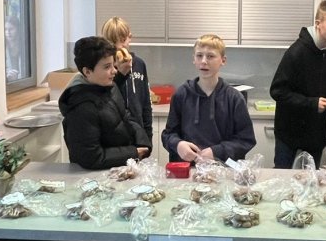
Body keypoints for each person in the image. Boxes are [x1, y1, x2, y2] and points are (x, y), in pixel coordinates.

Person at [270, 0, 326, 168]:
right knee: (283, 178)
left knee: (311, 180)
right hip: (289, 132)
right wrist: (312, 103)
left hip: (316, 133)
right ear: (318, 24)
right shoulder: (297, 52)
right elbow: (277, 91)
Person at [59, 36, 151, 170]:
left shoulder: (109, 87)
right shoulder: (81, 108)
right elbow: (91, 157)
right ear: (87, 71)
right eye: (107, 67)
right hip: (96, 176)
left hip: (119, 168)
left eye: (113, 64)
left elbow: (126, 118)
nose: (114, 71)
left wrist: (142, 141)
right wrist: (133, 152)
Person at [161, 34, 256, 163]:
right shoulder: (181, 94)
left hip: (223, 168)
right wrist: (178, 145)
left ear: (223, 60)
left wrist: (217, 152)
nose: (204, 61)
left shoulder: (234, 98)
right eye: (199, 55)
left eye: (210, 56)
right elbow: (168, 135)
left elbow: (246, 140)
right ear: (194, 59)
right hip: (187, 168)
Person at [101, 17, 153, 147]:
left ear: (130, 37)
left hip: (138, 133)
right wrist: (120, 74)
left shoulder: (139, 64)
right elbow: (103, 97)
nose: (119, 46)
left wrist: (148, 136)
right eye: (114, 42)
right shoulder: (105, 67)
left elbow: (146, 103)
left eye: (123, 40)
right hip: (112, 136)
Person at [4, 15, 23, 81]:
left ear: (18, 29)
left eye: (11, 29)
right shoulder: (1, 47)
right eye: (5, 29)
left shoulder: (24, 46)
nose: (8, 32)